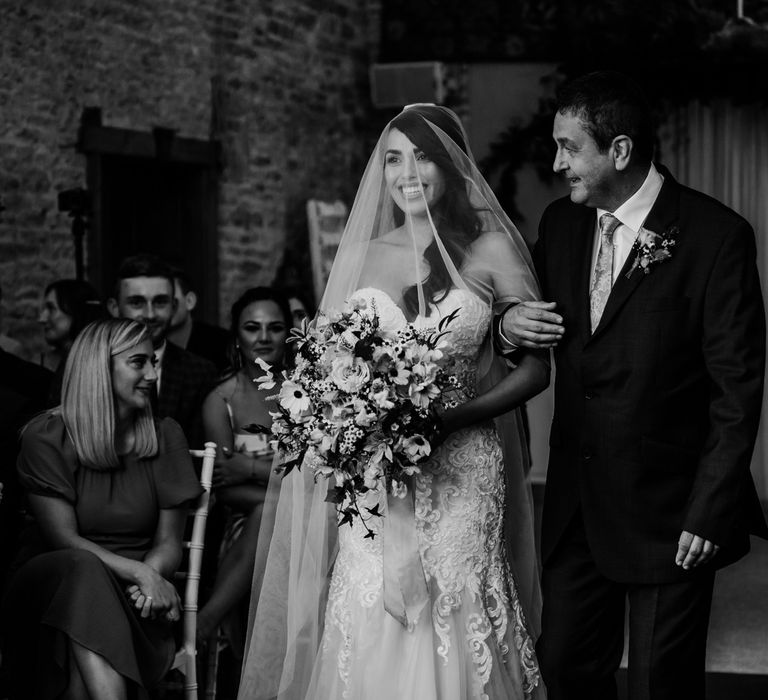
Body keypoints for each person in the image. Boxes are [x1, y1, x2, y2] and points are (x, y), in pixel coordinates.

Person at [238, 105, 549, 700]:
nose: (408, 173)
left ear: (455, 166)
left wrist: (449, 417)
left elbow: (535, 370)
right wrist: (337, 415)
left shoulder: (491, 251)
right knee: (369, 602)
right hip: (375, 477)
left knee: (455, 602)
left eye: (424, 156)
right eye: (393, 159)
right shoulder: (360, 254)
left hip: (463, 466)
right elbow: (328, 362)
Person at [500, 71, 767, 700]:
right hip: (576, 509)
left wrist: (710, 507)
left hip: (670, 513)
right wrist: (511, 323)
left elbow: (737, 390)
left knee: (660, 684)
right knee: (563, 670)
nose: (557, 161)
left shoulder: (715, 236)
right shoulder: (561, 226)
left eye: (570, 147)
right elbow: (523, 315)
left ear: (618, 151)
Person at [1, 319, 203, 700]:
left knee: (81, 673)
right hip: (51, 587)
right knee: (83, 569)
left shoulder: (165, 435)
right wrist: (141, 572)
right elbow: (63, 539)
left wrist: (153, 577)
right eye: (138, 362)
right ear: (99, 367)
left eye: (154, 362)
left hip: (135, 599)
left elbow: (168, 542)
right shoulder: (46, 436)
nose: (152, 374)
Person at [196, 287, 292, 656]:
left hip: (314, 517)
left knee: (282, 516)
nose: (264, 337)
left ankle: (206, 622)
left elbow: (320, 475)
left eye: (275, 327)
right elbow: (225, 488)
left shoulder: (309, 392)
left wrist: (250, 467)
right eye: (253, 328)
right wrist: (284, 490)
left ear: (288, 334)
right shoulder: (221, 400)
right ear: (237, 335)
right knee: (269, 515)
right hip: (246, 522)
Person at [107, 254, 218, 446]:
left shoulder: (199, 372)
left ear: (174, 307)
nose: (149, 314)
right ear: (115, 307)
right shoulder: (87, 363)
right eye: (136, 302)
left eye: (160, 302)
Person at [37, 278, 105, 404]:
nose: (42, 319)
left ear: (75, 310)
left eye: (51, 309)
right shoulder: (42, 361)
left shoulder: (97, 365)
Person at [167, 266, 230, 371]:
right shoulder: (146, 345)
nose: (163, 308)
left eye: (171, 301)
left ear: (190, 301)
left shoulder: (222, 345)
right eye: (159, 302)